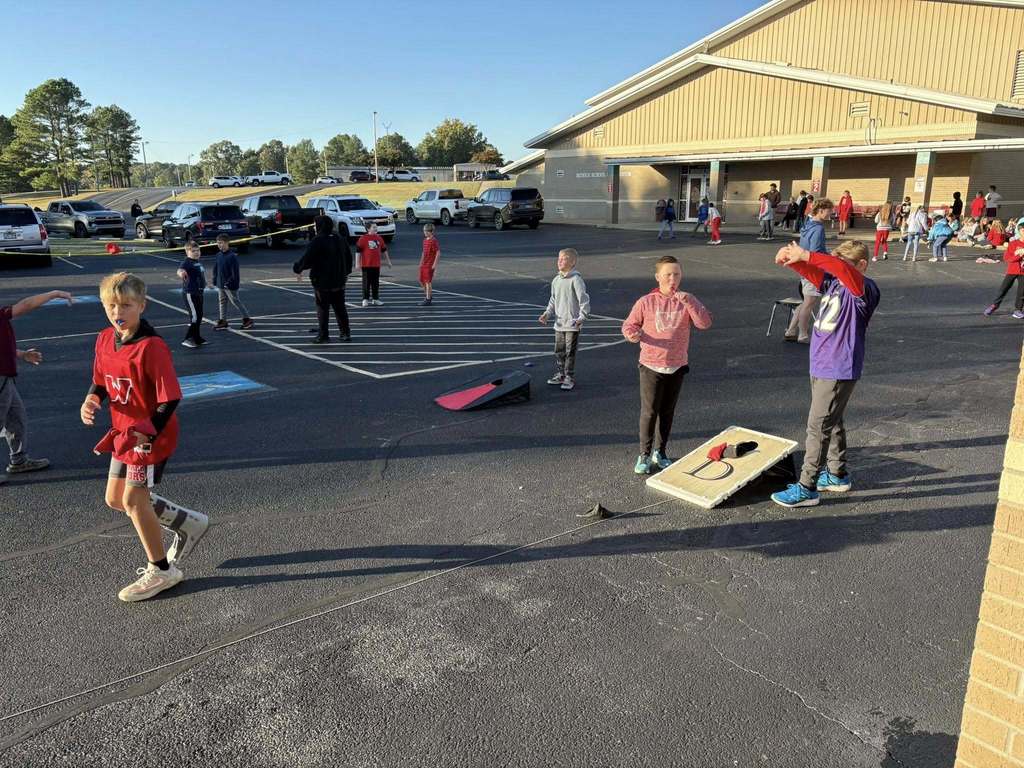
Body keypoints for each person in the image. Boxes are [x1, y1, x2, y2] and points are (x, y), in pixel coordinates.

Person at [81, 272, 209, 602]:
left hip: (150, 436)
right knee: (115, 499)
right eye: (110, 305)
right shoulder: (104, 339)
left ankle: (162, 570)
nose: (117, 311)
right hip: (123, 433)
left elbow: (171, 398)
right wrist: (92, 399)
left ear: (141, 305)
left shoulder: (152, 347)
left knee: (133, 501)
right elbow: (101, 381)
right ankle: (188, 523)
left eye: (125, 304)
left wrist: (146, 431)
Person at [770, 239, 880, 508]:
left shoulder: (862, 288)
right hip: (821, 363)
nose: (837, 268)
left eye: (844, 264)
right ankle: (837, 474)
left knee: (817, 427)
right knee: (833, 420)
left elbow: (839, 270)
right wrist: (792, 260)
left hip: (838, 366)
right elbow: (815, 273)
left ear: (861, 266)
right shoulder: (834, 283)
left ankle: (807, 486)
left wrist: (807, 253)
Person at [622, 255, 712, 475]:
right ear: (658, 277)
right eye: (668, 275)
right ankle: (644, 454)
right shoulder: (646, 302)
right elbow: (629, 325)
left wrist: (689, 301)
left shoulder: (686, 300)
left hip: (677, 364)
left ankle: (660, 452)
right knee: (650, 411)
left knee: (667, 411)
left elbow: (704, 323)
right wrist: (633, 335)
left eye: (677, 274)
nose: (673, 279)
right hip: (651, 364)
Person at [0, 290, 70, 484]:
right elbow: (27, 304)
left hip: (6, 378)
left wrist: (22, 355)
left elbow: (3, 345)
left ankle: (19, 460)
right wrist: (54, 293)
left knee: (16, 417)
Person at [293, 214, 353, 343]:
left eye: (315, 225)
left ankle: (323, 335)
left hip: (322, 281)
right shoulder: (340, 238)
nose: (314, 227)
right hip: (339, 279)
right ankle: (345, 333)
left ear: (320, 226)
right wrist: (346, 272)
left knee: (322, 308)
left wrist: (297, 268)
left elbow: (308, 258)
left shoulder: (318, 240)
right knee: (340, 307)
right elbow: (349, 257)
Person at [538, 248, 591, 391]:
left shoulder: (576, 280)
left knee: (570, 352)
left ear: (573, 262)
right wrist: (547, 314)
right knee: (559, 350)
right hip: (559, 324)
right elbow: (553, 300)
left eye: (564, 258)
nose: (560, 261)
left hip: (572, 324)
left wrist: (582, 317)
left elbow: (584, 300)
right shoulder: (556, 280)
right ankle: (561, 374)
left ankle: (569, 376)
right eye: (559, 258)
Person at [785, 199, 833, 343]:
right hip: (813, 269)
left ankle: (791, 330)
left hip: (804, 267)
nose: (831, 212)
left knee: (806, 301)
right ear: (821, 210)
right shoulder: (818, 228)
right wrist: (830, 257)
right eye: (829, 210)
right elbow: (815, 251)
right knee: (810, 302)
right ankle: (803, 334)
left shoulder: (808, 224)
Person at [212, 234, 254, 331]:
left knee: (235, 301)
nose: (219, 245)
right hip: (220, 283)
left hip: (230, 285)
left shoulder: (232, 256)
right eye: (218, 243)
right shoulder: (218, 255)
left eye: (221, 243)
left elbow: (234, 273)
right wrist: (215, 279)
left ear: (227, 243)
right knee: (222, 302)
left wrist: (229, 283)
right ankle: (223, 321)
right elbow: (216, 268)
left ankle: (247, 319)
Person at [984, 222, 1024, 319]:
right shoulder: (1014, 243)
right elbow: (1007, 258)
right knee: (1003, 289)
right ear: (1019, 231)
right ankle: (994, 305)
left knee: (1022, 292)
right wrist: (1019, 254)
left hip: (1023, 272)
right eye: (1023, 230)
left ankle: (1018, 309)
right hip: (1012, 270)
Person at [176, 241, 206, 348]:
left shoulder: (197, 262)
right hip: (190, 293)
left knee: (199, 315)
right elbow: (179, 270)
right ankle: (188, 339)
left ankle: (197, 337)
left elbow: (200, 276)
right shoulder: (187, 262)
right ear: (187, 252)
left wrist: (207, 283)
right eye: (193, 251)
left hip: (199, 292)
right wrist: (181, 273)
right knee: (194, 317)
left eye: (198, 250)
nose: (196, 253)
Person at [356, 222, 392, 307]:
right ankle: (365, 299)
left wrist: (388, 261)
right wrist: (357, 263)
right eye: (374, 227)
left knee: (375, 283)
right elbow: (358, 251)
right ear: (368, 229)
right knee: (366, 283)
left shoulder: (379, 238)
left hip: (376, 265)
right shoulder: (363, 239)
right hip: (366, 265)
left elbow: (384, 250)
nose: (376, 228)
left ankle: (375, 299)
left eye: (376, 227)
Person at [419, 222, 440, 305]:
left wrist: (434, 264)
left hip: (429, 264)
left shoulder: (433, 241)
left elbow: (438, 252)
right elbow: (423, 252)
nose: (425, 232)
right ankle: (429, 295)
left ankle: (428, 299)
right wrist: (421, 262)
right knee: (421, 280)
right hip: (424, 263)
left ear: (431, 232)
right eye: (424, 231)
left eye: (426, 231)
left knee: (428, 281)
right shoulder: (424, 240)